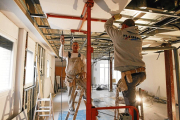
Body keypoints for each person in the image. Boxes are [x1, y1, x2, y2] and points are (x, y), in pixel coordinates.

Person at [104, 14, 146, 119]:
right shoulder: (139, 37)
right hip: (141, 74)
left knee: (131, 105)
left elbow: (107, 26)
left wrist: (113, 18)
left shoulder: (119, 35)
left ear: (125, 26)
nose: (121, 28)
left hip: (130, 76)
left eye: (122, 26)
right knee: (132, 102)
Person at [59, 35, 86, 115]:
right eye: (74, 45)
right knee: (71, 94)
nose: (75, 46)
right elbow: (61, 54)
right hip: (70, 77)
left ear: (78, 47)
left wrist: (84, 72)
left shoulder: (81, 56)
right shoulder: (68, 54)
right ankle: (71, 108)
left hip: (79, 76)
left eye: (76, 45)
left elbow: (84, 64)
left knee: (87, 86)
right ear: (71, 47)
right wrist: (62, 44)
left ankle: (86, 97)